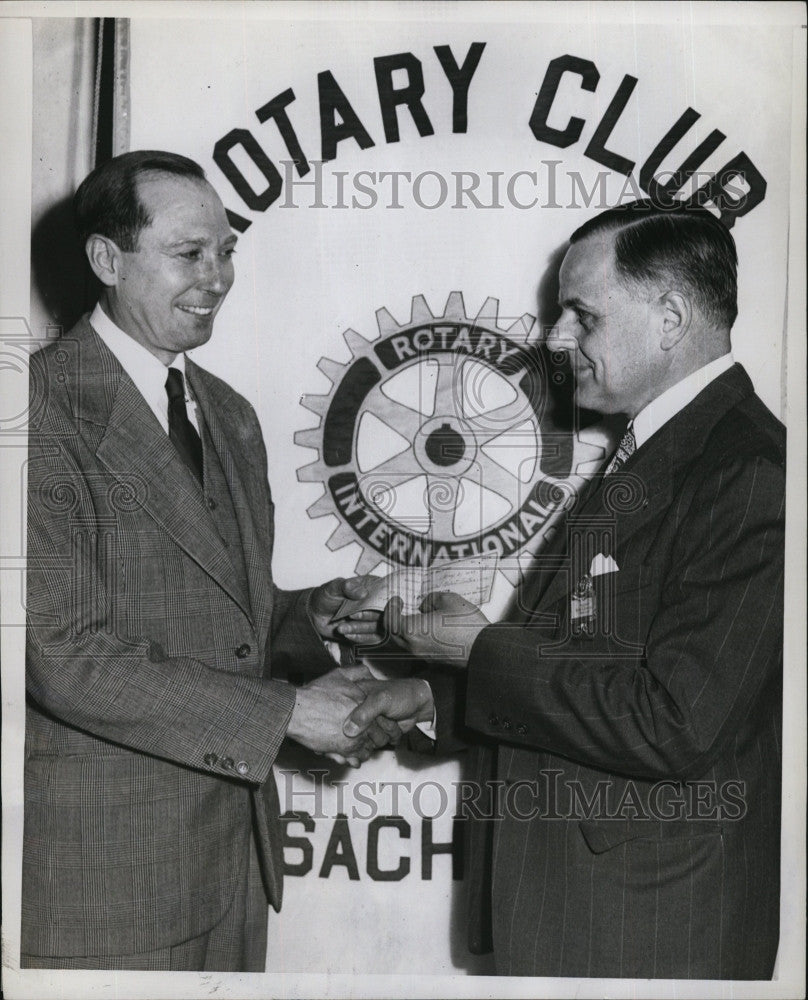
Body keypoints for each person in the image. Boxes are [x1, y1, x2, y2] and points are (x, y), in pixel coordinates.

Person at [344, 200, 785, 979]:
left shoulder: (751, 471)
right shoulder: (664, 447)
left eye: (581, 314)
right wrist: (437, 696)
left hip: (647, 931)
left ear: (672, 316)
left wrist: (482, 649)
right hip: (587, 915)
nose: (554, 339)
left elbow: (674, 721)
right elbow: (587, 664)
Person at [23, 149, 388, 972]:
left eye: (226, 251)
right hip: (104, 889)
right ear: (106, 261)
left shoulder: (229, 412)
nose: (218, 277)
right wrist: (286, 715)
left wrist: (307, 612)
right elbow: (62, 656)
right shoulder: (34, 413)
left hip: (230, 869)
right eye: (191, 254)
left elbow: (223, 614)